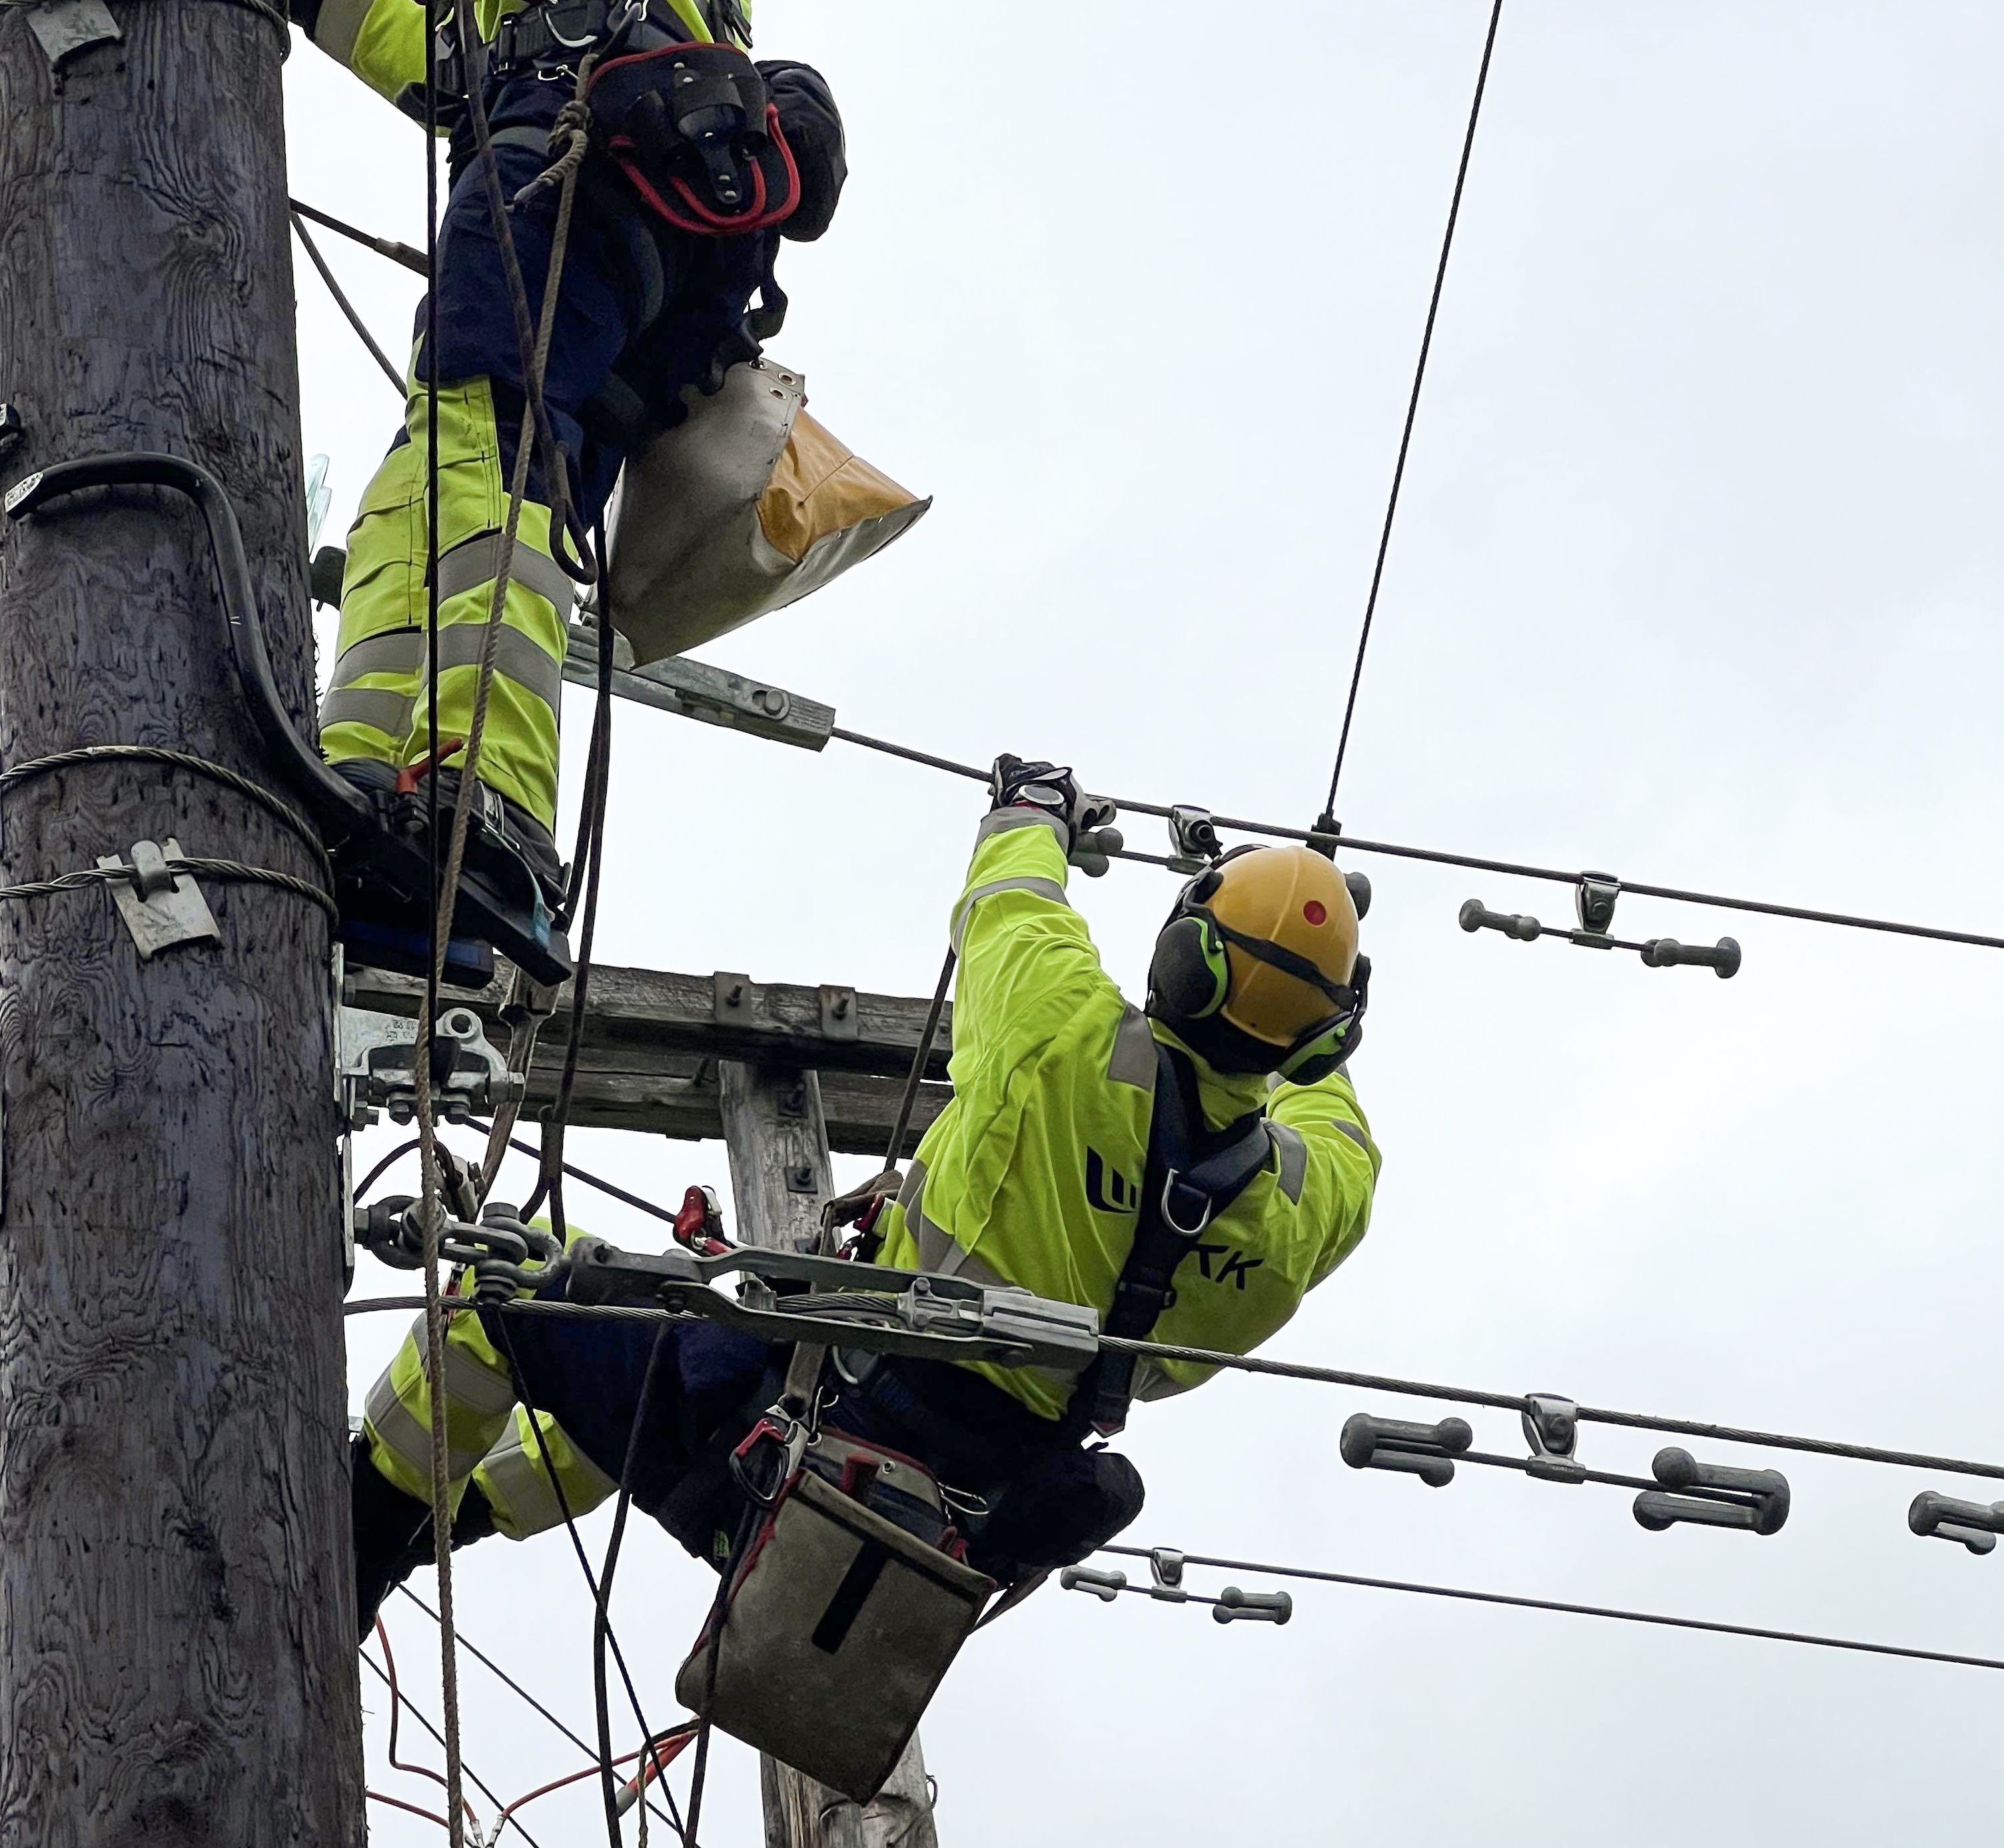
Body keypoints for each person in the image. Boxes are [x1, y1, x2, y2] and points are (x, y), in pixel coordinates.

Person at [350, 758, 1384, 1627]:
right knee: (629, 1366)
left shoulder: (1058, 1033)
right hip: (921, 1528)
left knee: (513, 1277)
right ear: (1323, 1039)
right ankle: (470, 1513)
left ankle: (368, 1519)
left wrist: (1033, 808)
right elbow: (1336, 1123)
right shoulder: (1305, 1209)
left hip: (800, 1431)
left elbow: (1010, 902)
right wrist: (1321, 995)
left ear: (1183, 962)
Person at [294, 0, 845, 977]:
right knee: (482, 477)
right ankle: (373, 781)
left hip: (576, 151)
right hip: (681, 223)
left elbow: (405, 36)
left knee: (476, 448)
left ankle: (483, 791)